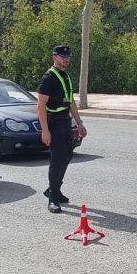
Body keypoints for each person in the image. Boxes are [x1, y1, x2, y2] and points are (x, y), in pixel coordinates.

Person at [36, 44, 87, 213]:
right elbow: (41, 105)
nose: (66, 59)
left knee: (66, 156)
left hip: (65, 120)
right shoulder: (49, 77)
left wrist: (79, 123)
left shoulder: (64, 75)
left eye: (68, 57)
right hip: (54, 121)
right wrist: (45, 130)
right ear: (54, 57)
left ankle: (54, 189)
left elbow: (70, 100)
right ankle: (53, 198)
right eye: (62, 57)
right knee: (57, 159)